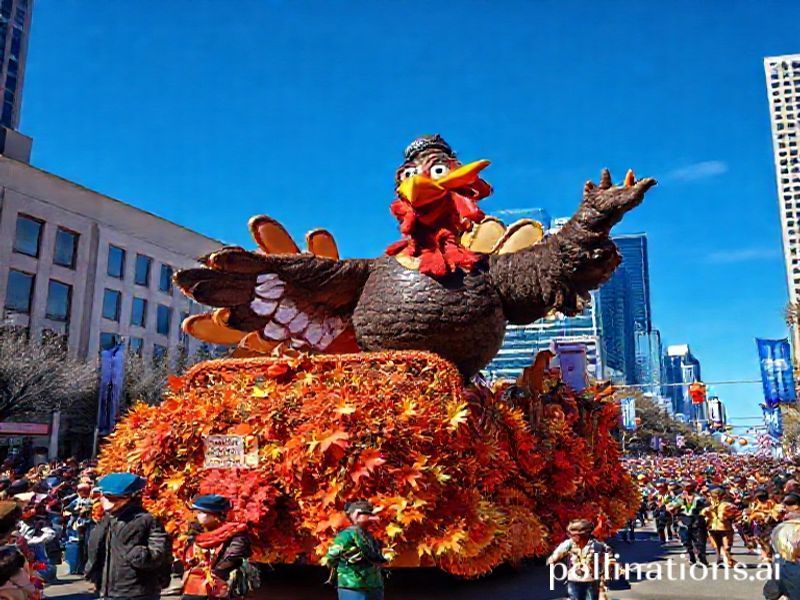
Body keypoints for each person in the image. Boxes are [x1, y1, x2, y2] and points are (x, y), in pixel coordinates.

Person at [85, 472, 172, 600]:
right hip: (107, 591)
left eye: (112, 498)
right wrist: (93, 572)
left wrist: (134, 552)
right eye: (104, 496)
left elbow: (160, 554)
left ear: (127, 498)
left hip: (137, 592)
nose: (105, 501)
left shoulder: (146, 520)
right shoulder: (107, 519)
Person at [181, 494, 251, 600]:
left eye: (200, 512)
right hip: (194, 586)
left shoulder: (236, 534)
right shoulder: (196, 532)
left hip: (221, 584)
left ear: (214, 516)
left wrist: (215, 575)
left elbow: (231, 558)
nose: (196, 516)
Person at [323, 500, 388, 600]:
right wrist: (348, 559)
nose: (372, 517)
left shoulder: (370, 536)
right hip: (353, 586)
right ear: (357, 514)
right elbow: (331, 557)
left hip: (374, 586)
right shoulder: (345, 536)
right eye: (368, 513)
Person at [546, 519, 613, 600]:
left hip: (592, 582)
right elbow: (557, 554)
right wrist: (553, 559)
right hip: (574, 581)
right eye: (571, 535)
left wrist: (607, 564)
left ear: (585, 535)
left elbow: (609, 559)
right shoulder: (568, 544)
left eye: (575, 535)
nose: (572, 537)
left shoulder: (598, 546)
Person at [670, 481, 709, 565]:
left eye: (690, 486)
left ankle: (701, 557)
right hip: (684, 520)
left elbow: (707, 505)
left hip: (697, 520)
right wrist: (674, 510)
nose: (688, 488)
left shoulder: (699, 497)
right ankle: (691, 556)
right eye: (686, 487)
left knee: (700, 541)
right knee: (686, 540)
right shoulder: (679, 497)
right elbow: (671, 507)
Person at [702, 486, 738, 567]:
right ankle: (721, 559)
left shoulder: (726, 503)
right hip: (714, 526)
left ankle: (726, 559)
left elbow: (733, 513)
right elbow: (702, 512)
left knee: (724, 545)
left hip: (723, 526)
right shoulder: (710, 502)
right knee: (717, 545)